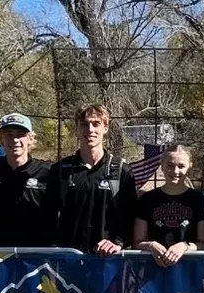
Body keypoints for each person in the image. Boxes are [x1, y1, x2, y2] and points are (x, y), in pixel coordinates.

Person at [44, 104, 138, 255]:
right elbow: (48, 216)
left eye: (96, 124)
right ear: (77, 129)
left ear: (105, 128)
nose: (90, 130)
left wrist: (118, 242)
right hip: (68, 258)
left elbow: (131, 218)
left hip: (107, 259)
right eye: (84, 124)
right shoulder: (60, 170)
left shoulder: (121, 171)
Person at [0, 113, 53, 248]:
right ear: (1, 139)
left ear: (30, 139)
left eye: (20, 134)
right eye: (9, 134)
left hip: (35, 255)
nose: (15, 140)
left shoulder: (48, 172)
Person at [133, 145, 204, 266]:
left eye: (181, 166)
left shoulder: (199, 200)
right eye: (170, 165)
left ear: (190, 167)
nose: (175, 171)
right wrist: (151, 245)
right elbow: (137, 243)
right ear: (162, 165)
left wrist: (185, 246)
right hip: (154, 267)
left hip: (188, 268)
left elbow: (203, 243)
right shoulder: (147, 199)